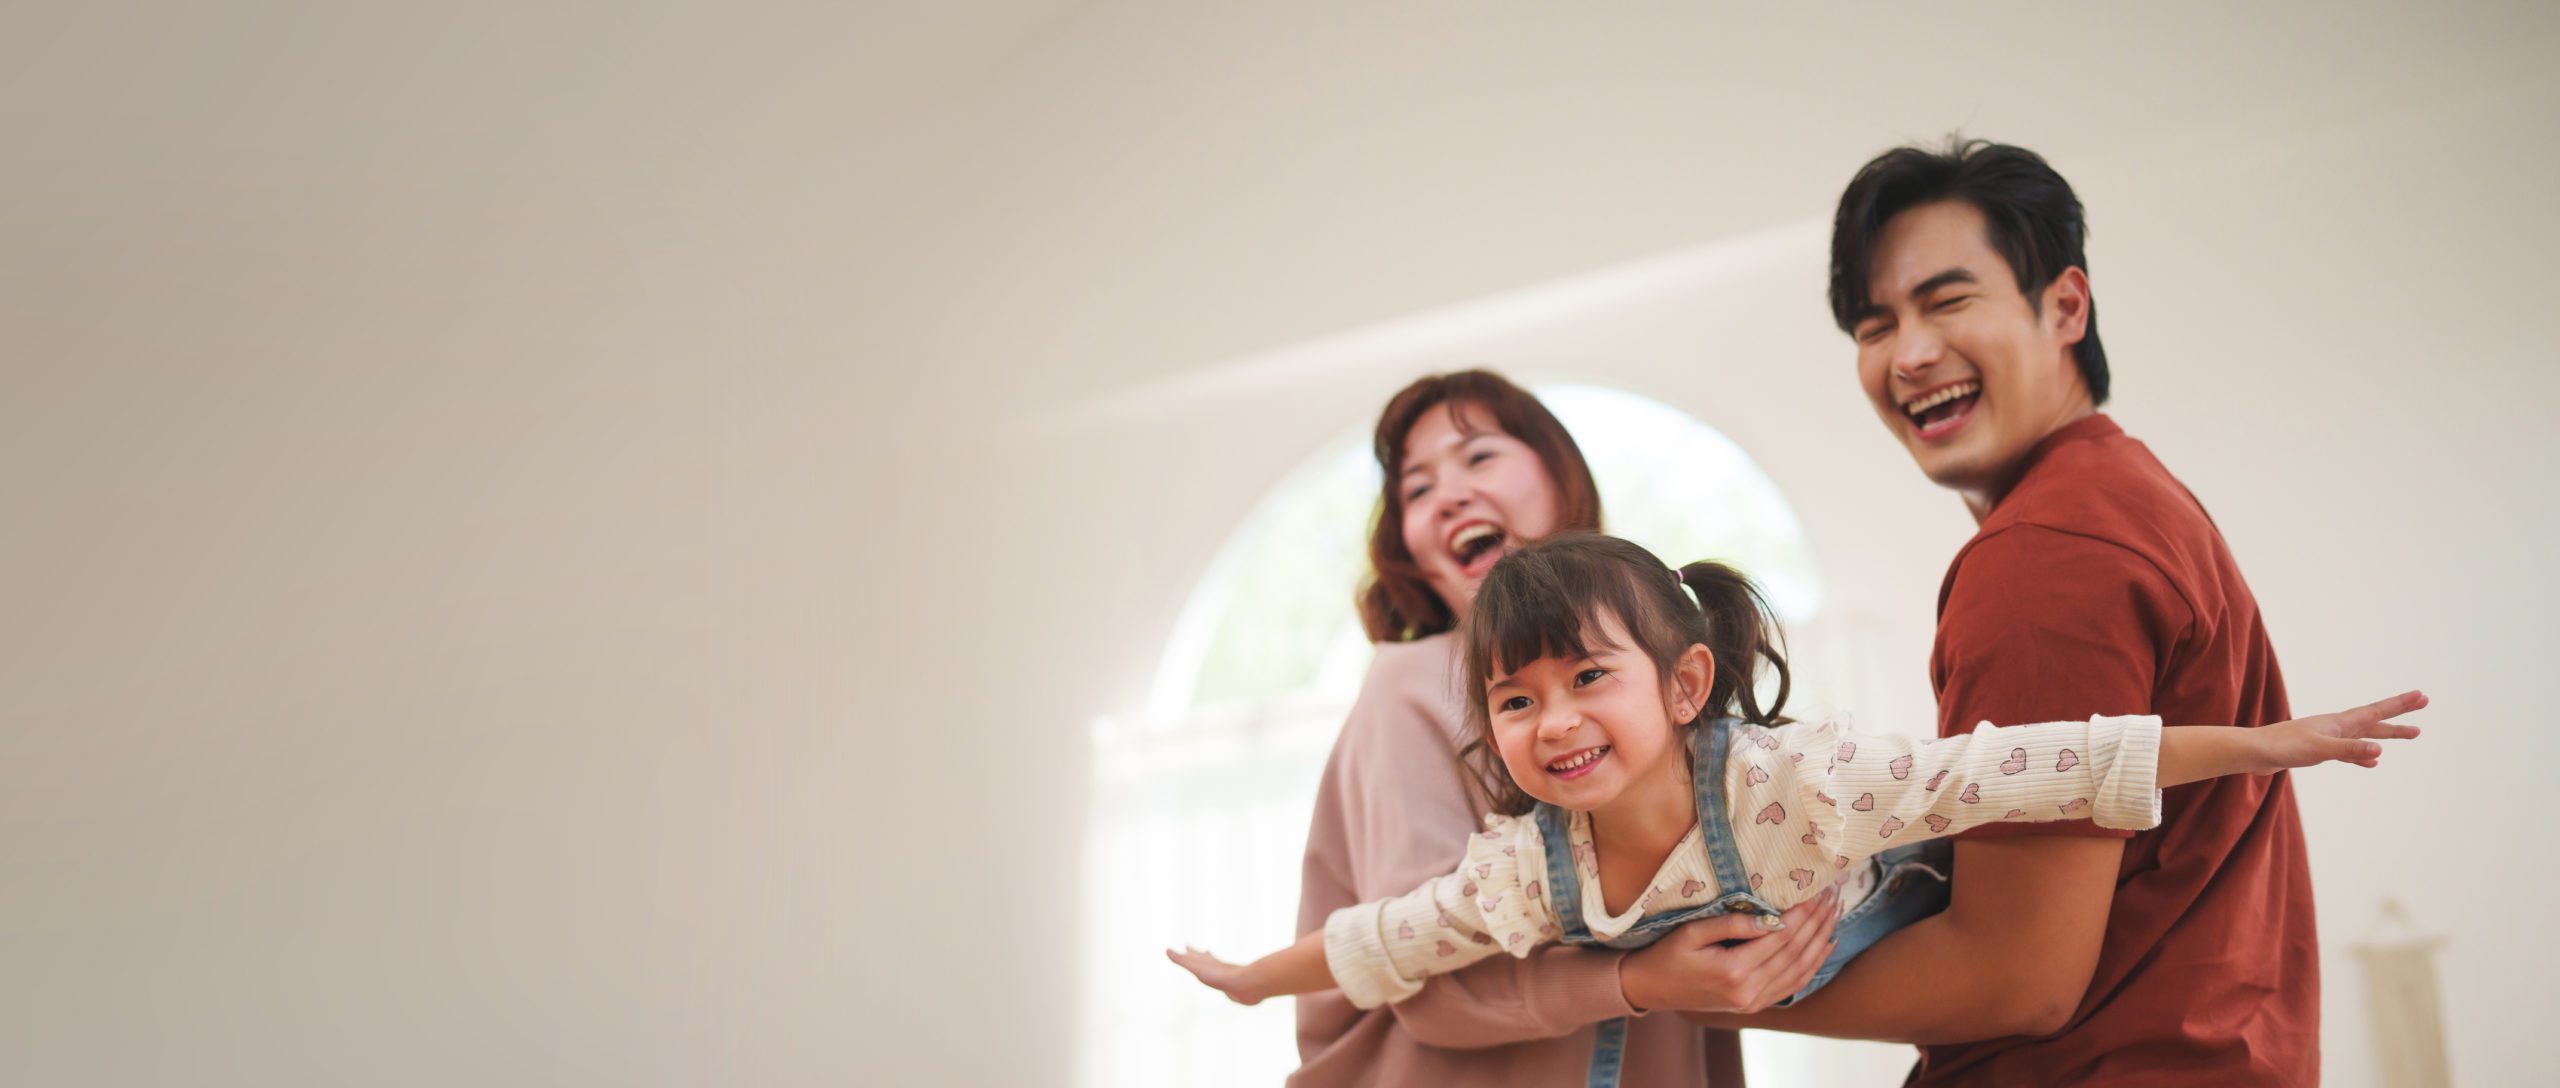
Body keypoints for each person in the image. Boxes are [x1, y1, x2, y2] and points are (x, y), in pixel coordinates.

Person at [1679, 138, 2332, 1084]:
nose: (1910, 354)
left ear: (2065, 305)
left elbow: (2016, 978)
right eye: (1873, 326)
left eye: (1948, 302)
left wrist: (1676, 989)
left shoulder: (2048, 555)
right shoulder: (2128, 499)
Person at [1173, 535, 2419, 1026]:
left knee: (1957, 815)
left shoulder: (1797, 788)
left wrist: (2261, 740)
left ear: (1681, 684)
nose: (1551, 720)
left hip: (1880, 883)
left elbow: (2014, 767)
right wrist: (1245, 978)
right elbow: (1383, 936)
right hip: (1722, 954)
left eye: (1586, 678)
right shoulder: (1526, 865)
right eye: (1514, 698)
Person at [1286, 371, 1816, 1088]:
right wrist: (1639, 979)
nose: (1448, 496)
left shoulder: (1645, 655)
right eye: (1415, 489)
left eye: (1478, 458)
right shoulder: (1409, 681)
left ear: (1561, 474)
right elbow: (1425, 977)